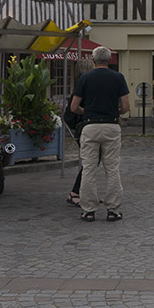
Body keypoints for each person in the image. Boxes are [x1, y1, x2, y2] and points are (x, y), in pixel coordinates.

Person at [70, 46, 130, 222]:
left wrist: (86, 111)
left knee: (88, 168)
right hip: (111, 126)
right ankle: (113, 210)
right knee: (112, 169)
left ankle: (88, 209)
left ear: (93, 60)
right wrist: (114, 112)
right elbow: (126, 106)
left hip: (90, 126)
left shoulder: (85, 78)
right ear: (110, 60)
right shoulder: (118, 77)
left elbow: (74, 107)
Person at [64, 57, 94, 207]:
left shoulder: (80, 84)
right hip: (84, 127)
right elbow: (71, 110)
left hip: (81, 127)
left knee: (91, 161)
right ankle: (75, 192)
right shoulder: (84, 85)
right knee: (90, 162)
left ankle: (87, 192)